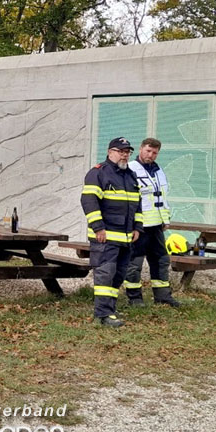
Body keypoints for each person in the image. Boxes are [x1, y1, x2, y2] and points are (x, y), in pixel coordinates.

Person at [81, 137, 143, 327]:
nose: (124, 155)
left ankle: (110, 309)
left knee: (118, 275)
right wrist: (98, 227)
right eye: (120, 151)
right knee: (105, 275)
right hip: (105, 237)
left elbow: (137, 205)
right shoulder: (98, 173)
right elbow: (89, 201)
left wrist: (137, 228)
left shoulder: (130, 176)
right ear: (110, 152)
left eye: (127, 152)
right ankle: (102, 315)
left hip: (125, 238)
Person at [123, 138, 180, 307]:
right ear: (141, 149)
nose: (151, 155)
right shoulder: (131, 169)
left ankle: (163, 296)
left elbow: (162, 197)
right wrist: (133, 225)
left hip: (156, 226)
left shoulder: (158, 170)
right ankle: (134, 299)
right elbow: (130, 200)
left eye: (155, 153)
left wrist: (165, 220)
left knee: (161, 260)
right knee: (134, 263)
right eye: (148, 151)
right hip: (139, 226)